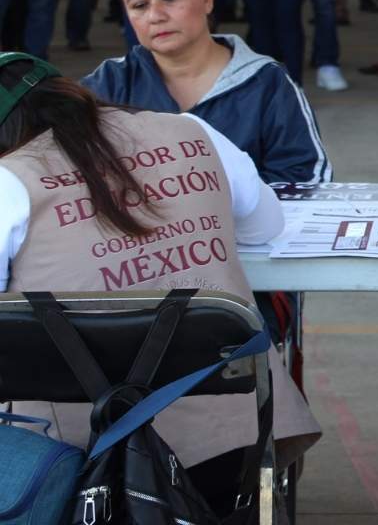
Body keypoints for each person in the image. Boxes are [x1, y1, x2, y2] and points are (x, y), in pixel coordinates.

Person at [0, 50, 322, 506]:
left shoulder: (8, 180)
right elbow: (266, 228)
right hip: (232, 446)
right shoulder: (193, 131)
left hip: (72, 467)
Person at [83, 0, 330, 185]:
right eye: (139, 5)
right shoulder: (107, 85)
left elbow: (306, 183)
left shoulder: (268, 84)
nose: (155, 15)